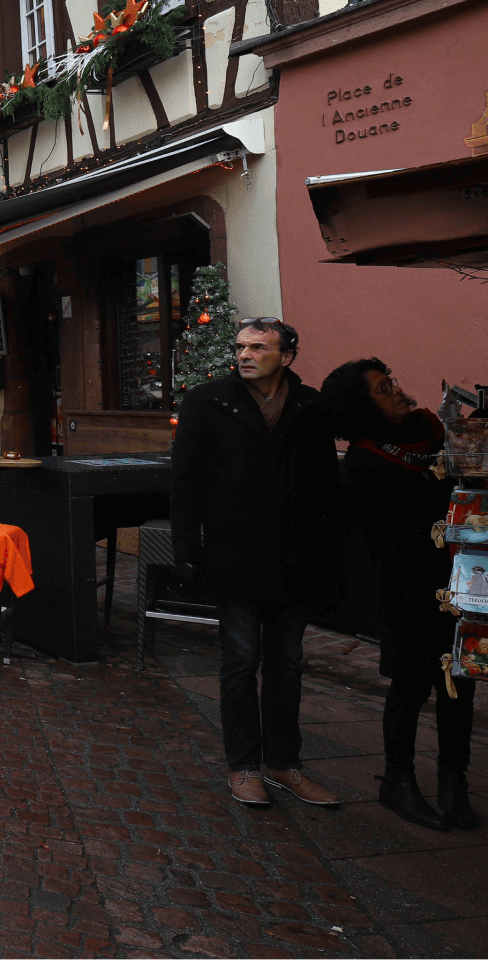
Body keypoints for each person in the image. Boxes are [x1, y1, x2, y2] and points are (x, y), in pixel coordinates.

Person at [172, 317, 342, 809]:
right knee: (241, 662)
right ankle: (243, 766)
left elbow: (324, 484)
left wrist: (329, 557)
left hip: (295, 557)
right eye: (242, 347)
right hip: (234, 555)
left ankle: (286, 765)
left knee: (288, 664)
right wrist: (188, 550)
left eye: (258, 348)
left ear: (286, 356)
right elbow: (185, 481)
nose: (245, 355)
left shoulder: (310, 405)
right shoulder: (208, 400)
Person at [323, 358, 476, 831]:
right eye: (383, 389)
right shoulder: (367, 458)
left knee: (460, 679)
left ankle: (454, 781)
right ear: (362, 406)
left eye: (392, 383)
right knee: (411, 683)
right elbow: (406, 519)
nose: (397, 392)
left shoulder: (433, 428)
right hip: (407, 585)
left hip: (459, 578)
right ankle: (398, 780)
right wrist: (444, 476)